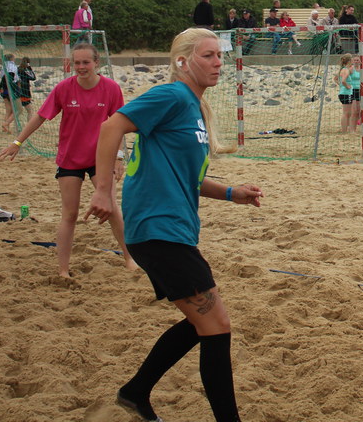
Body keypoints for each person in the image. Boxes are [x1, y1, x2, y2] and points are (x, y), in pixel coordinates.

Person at [85, 28, 263, 422]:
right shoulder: (172, 95)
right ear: (182, 61)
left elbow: (189, 178)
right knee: (216, 325)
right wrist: (102, 191)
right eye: (208, 55)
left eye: (219, 55)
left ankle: (135, 392)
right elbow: (111, 127)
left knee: (203, 322)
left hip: (175, 228)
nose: (218, 63)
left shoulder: (194, 108)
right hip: (156, 227)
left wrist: (232, 192)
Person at [0, 43, 134, 277]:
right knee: (69, 214)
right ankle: (63, 270)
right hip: (70, 159)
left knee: (111, 208)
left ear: (96, 63)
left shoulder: (111, 88)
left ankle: (130, 258)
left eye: (86, 62)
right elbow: (40, 117)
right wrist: (17, 143)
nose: (81, 67)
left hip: (100, 158)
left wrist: (119, 157)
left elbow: (119, 125)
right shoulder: (64, 88)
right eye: (76, 62)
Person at [337, 56, 360, 133]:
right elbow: (343, 81)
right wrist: (347, 86)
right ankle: (344, 131)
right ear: (349, 61)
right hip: (346, 93)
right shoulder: (346, 70)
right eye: (352, 60)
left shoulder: (344, 69)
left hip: (344, 93)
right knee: (347, 113)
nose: (353, 61)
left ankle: (346, 130)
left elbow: (340, 80)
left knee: (348, 113)